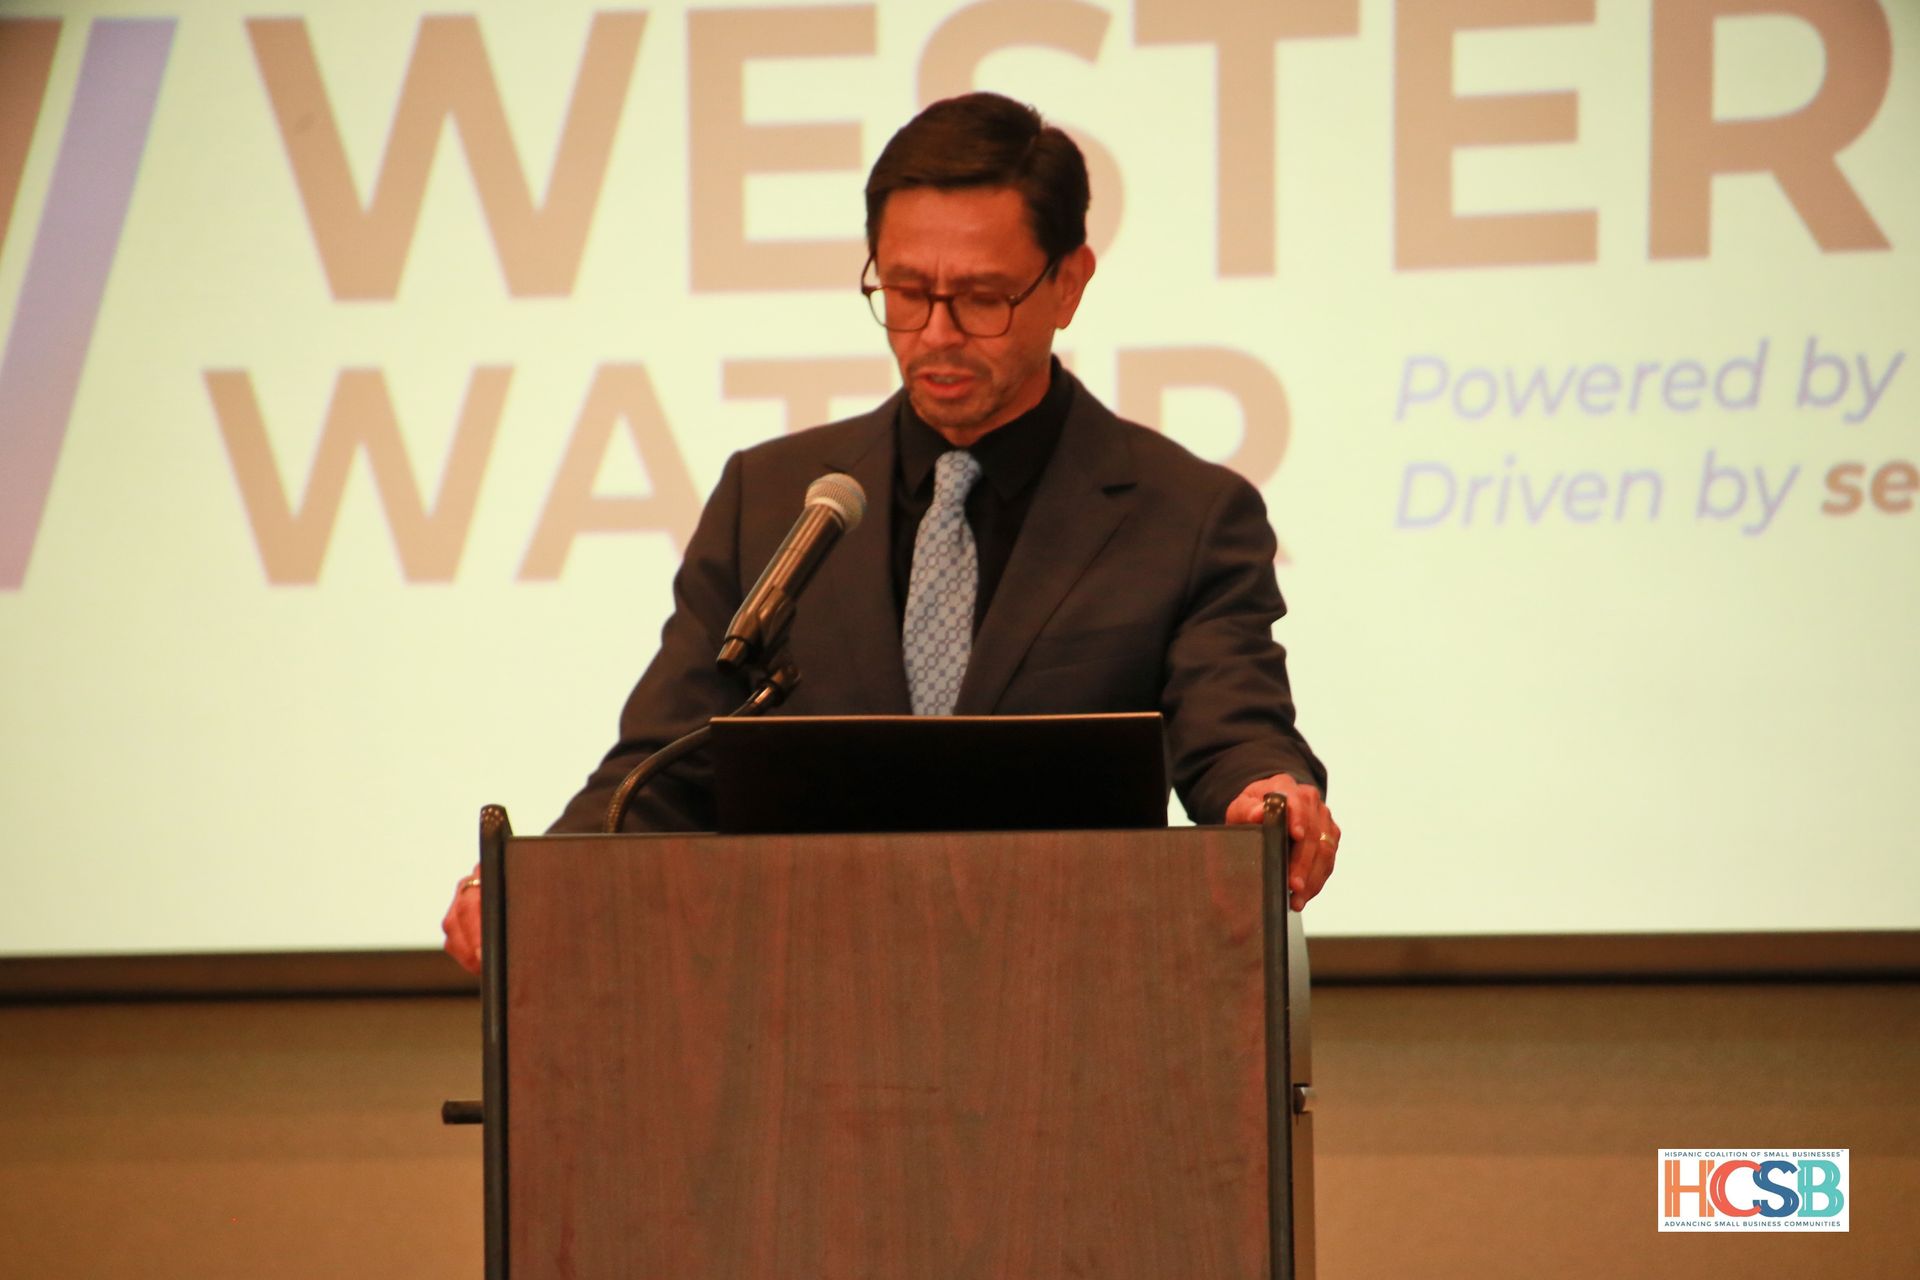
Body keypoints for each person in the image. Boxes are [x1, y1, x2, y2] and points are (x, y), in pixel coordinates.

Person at [442, 92, 1338, 975]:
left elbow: (1233, 729)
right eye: (906, 292)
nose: (936, 335)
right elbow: (662, 765)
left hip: (1068, 1000)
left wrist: (1269, 794)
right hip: (808, 1002)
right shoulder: (776, 499)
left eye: (983, 297)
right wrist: (539, 883)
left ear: (1069, 283)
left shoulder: (1183, 514)